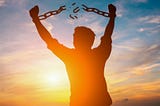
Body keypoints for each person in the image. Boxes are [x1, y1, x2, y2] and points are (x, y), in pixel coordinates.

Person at [29, 4, 116, 106]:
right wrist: (112, 17)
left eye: (75, 37)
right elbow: (107, 36)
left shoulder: (70, 56)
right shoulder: (99, 54)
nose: (73, 39)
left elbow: (48, 39)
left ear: (78, 40)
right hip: (100, 102)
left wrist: (36, 20)